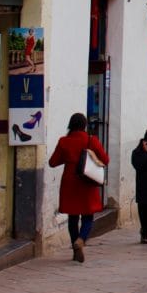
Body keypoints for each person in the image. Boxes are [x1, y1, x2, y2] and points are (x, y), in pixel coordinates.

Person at [48, 112, 109, 263]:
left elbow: (53, 162)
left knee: (73, 216)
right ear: (84, 125)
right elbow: (105, 159)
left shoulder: (64, 141)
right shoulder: (91, 140)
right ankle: (81, 240)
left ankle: (75, 244)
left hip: (70, 181)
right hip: (86, 181)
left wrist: (69, 158)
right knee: (88, 215)